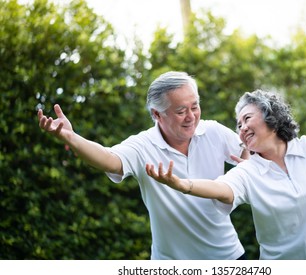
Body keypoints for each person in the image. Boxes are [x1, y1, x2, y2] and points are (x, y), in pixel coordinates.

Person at [37, 71, 249, 260]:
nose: (191, 116)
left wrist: (248, 163)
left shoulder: (213, 132)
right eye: (181, 111)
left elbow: (249, 151)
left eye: (195, 106)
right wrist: (71, 137)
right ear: (157, 114)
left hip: (227, 257)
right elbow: (110, 160)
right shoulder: (143, 146)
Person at [146, 89, 306, 260]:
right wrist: (184, 185)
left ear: (271, 116)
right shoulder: (249, 171)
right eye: (238, 125)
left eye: (247, 119)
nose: (242, 128)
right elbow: (223, 190)